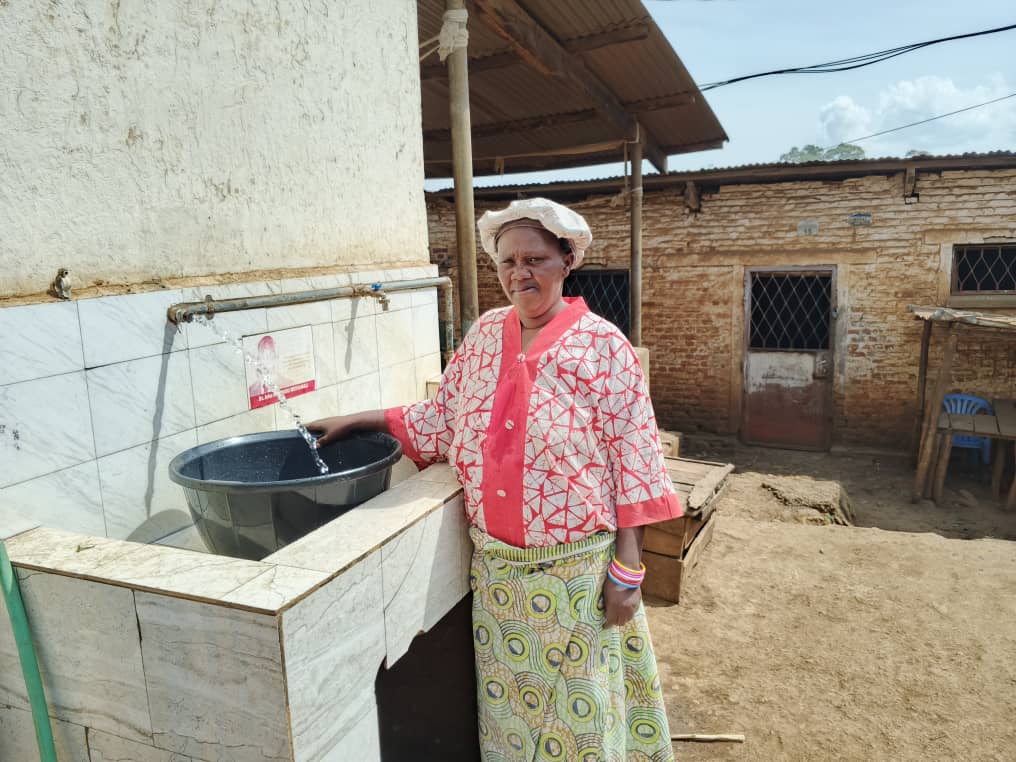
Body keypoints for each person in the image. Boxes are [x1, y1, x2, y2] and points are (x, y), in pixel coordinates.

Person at [309, 197, 682, 761]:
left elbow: (632, 461)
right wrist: (360, 418)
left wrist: (627, 571)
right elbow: (442, 417)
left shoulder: (606, 348)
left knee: (578, 720)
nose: (519, 274)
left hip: (575, 579)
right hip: (500, 583)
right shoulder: (485, 335)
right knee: (510, 719)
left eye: (534, 259)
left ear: (566, 261)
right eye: (507, 262)